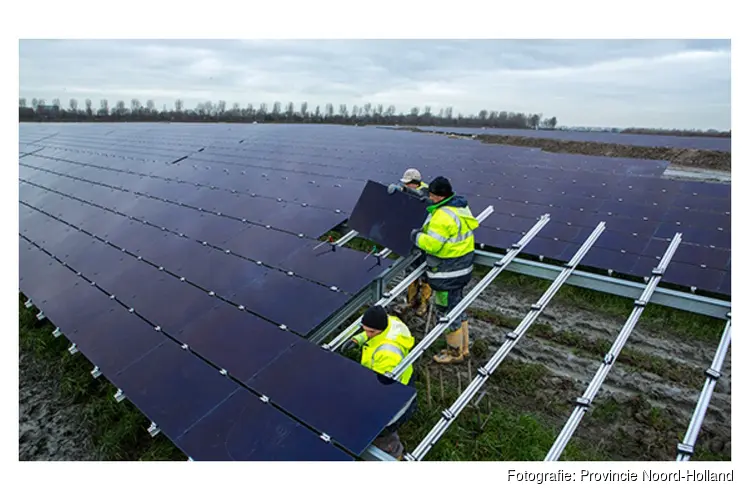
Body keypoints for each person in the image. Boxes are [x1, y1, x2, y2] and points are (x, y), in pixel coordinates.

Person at [410, 176, 478, 364]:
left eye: (432, 196)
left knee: (446, 311)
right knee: (458, 307)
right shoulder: (460, 207)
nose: (430, 198)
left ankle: (454, 353)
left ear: (440, 197)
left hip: (446, 272)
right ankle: (464, 349)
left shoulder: (442, 217)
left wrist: (416, 237)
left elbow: (432, 245)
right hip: (462, 267)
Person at [342, 305, 418, 459]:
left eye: (371, 332)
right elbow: (373, 331)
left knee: (380, 430)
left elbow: (377, 393)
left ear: (380, 329)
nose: (367, 334)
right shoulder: (391, 323)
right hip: (403, 382)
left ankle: (392, 454)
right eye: (365, 330)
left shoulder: (387, 355)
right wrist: (359, 339)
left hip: (395, 401)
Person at [388, 168, 432, 316]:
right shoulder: (409, 190)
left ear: (415, 183)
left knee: (425, 275)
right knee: (410, 272)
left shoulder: (426, 192)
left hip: (425, 241)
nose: (406, 186)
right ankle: (410, 301)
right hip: (412, 238)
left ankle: (424, 304)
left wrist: (403, 190)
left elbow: (421, 197)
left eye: (408, 184)